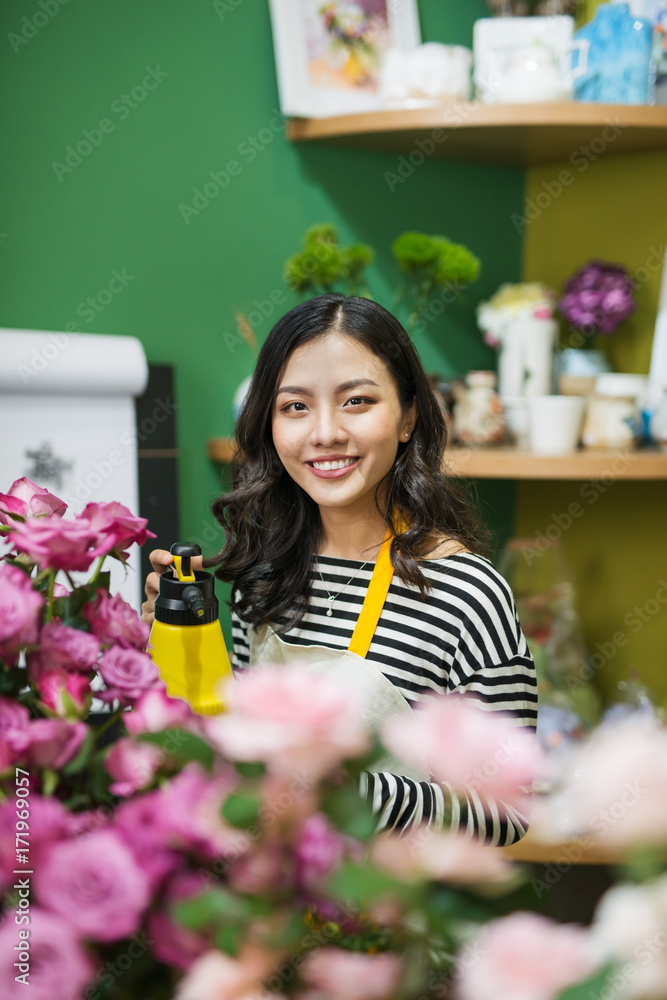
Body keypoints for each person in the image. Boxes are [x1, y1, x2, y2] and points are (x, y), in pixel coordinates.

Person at [143, 293, 537, 845]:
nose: (324, 433)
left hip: (388, 919)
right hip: (271, 906)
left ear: (408, 418)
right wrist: (171, 653)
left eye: (356, 401)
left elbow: (506, 814)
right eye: (295, 407)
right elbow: (230, 754)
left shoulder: (468, 593)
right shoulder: (263, 573)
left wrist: (335, 784)